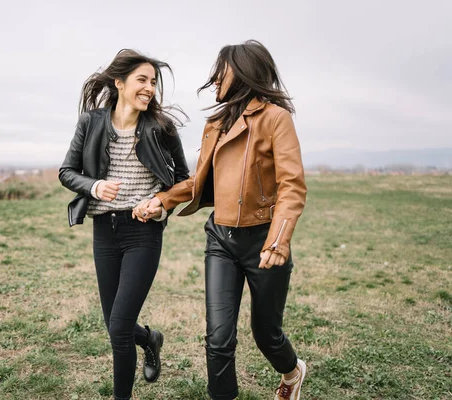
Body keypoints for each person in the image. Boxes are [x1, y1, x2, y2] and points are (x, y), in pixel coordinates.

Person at [135, 40, 307, 400]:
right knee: (218, 338)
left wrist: (279, 240)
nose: (214, 79)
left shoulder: (276, 118)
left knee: (267, 335)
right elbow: (199, 180)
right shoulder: (215, 123)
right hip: (221, 241)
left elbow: (292, 186)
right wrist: (162, 200)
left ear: (243, 72)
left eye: (221, 72)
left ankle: (292, 372)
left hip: (264, 243)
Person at [58, 49, 189, 400]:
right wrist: (94, 186)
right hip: (104, 231)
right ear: (120, 83)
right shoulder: (92, 122)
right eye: (142, 80)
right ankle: (150, 339)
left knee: (118, 327)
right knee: (116, 325)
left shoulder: (161, 128)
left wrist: (159, 205)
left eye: (153, 82)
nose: (149, 88)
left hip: (142, 232)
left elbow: (184, 181)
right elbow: (66, 172)